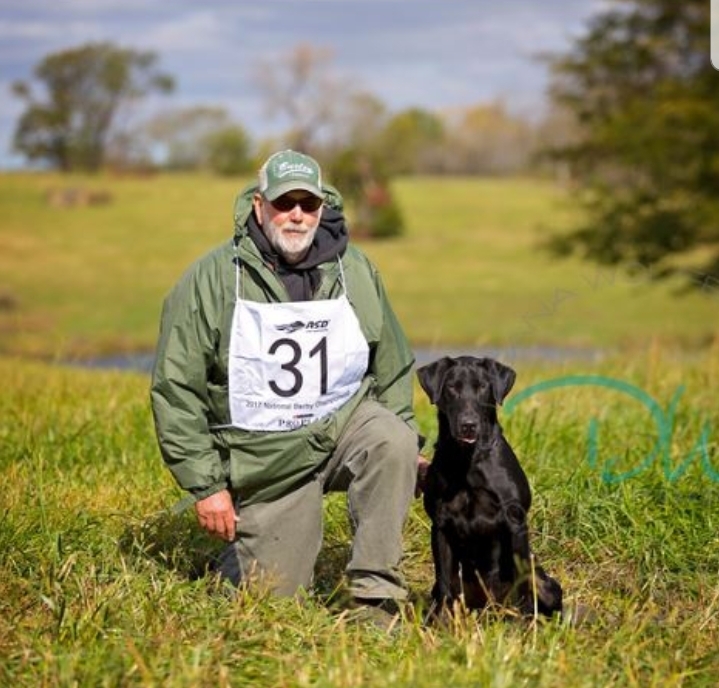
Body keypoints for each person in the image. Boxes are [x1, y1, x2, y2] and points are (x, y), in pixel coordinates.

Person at [150, 149, 424, 617]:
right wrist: (206, 485)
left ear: (323, 207)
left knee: (392, 440)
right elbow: (177, 389)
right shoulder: (213, 278)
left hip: (341, 427)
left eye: (308, 204)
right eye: (284, 202)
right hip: (267, 458)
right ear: (259, 206)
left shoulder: (355, 270)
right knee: (275, 604)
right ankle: (235, 565)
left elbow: (392, 361)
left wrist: (408, 442)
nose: (297, 215)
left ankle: (375, 600)